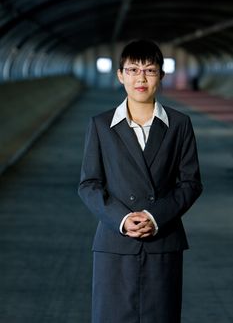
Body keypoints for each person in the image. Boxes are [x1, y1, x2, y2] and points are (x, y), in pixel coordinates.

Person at [78, 39, 203, 323]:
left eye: (149, 70)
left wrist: (153, 216)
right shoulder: (100, 125)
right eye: (133, 70)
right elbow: (89, 184)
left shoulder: (179, 124)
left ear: (161, 75)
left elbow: (190, 183)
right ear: (120, 75)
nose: (141, 77)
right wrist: (122, 218)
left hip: (163, 239)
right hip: (114, 241)